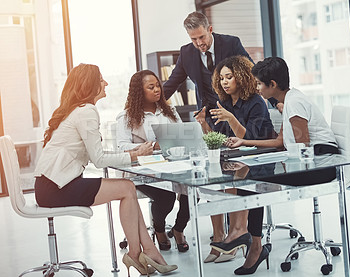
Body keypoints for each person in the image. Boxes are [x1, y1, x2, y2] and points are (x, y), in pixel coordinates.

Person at [33, 64, 178, 276]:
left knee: (127, 187)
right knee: (126, 188)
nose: (106, 83)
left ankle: (148, 250)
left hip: (50, 185)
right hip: (56, 187)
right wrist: (136, 154)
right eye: (101, 80)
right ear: (90, 84)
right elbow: (99, 160)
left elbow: (97, 154)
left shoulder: (77, 110)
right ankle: (138, 252)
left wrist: (134, 151)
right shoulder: (87, 111)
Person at [224, 57, 339, 275]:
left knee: (253, 182)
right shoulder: (288, 100)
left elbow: (303, 146)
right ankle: (251, 241)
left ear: (273, 84)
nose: (257, 88)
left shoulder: (293, 103)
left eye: (259, 84)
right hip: (310, 158)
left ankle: (254, 245)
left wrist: (280, 164)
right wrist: (245, 142)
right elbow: (280, 142)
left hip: (321, 162)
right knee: (251, 179)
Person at [195, 55, 276, 264]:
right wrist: (204, 124)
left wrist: (231, 118)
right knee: (215, 184)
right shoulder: (224, 102)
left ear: (240, 77)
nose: (224, 82)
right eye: (221, 78)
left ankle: (235, 236)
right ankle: (220, 237)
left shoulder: (256, 102)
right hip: (237, 156)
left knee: (229, 180)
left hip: (260, 157)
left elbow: (249, 139)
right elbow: (219, 139)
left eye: (229, 77)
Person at [116, 69, 190, 253]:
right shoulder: (126, 117)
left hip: (172, 167)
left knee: (192, 189)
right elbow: (121, 147)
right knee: (167, 196)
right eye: (151, 87)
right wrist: (144, 148)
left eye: (158, 85)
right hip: (141, 172)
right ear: (139, 92)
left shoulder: (170, 111)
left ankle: (179, 229)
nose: (157, 90)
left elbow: (182, 137)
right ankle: (159, 230)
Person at [163, 11, 254, 122]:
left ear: (210, 29)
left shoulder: (231, 44)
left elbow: (252, 72)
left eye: (202, 37)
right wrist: (148, 105)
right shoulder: (186, 53)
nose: (199, 43)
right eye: (194, 39)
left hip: (237, 112)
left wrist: (276, 101)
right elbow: (172, 83)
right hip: (208, 116)